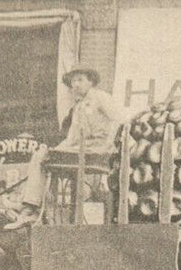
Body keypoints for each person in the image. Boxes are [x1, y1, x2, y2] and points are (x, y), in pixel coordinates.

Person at [7, 66, 124, 226]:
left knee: (43, 156)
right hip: (83, 149)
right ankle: (34, 208)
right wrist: (54, 150)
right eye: (73, 81)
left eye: (80, 80)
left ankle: (31, 206)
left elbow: (117, 121)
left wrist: (108, 145)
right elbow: (71, 139)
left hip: (99, 150)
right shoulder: (78, 107)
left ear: (90, 81)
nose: (75, 84)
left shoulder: (101, 97)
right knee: (42, 154)